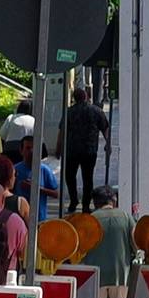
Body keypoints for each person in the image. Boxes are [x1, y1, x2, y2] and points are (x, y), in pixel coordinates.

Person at [81, 185, 137, 298]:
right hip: (121, 274)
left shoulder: (90, 220)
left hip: (94, 275)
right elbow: (136, 246)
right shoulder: (126, 217)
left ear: (95, 203)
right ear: (113, 200)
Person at [60, 87, 109, 215]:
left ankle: (74, 201)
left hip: (72, 150)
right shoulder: (96, 111)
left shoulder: (69, 112)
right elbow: (105, 128)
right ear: (86, 96)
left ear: (74, 98)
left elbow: (62, 131)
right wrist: (107, 144)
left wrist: (59, 146)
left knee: (70, 177)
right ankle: (86, 205)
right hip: (89, 150)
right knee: (88, 178)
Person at [13, 135, 59, 223]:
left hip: (39, 218)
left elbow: (56, 194)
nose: (31, 151)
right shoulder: (14, 170)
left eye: (34, 148)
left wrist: (36, 188)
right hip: (19, 218)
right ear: (21, 151)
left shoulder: (44, 170)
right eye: (28, 148)